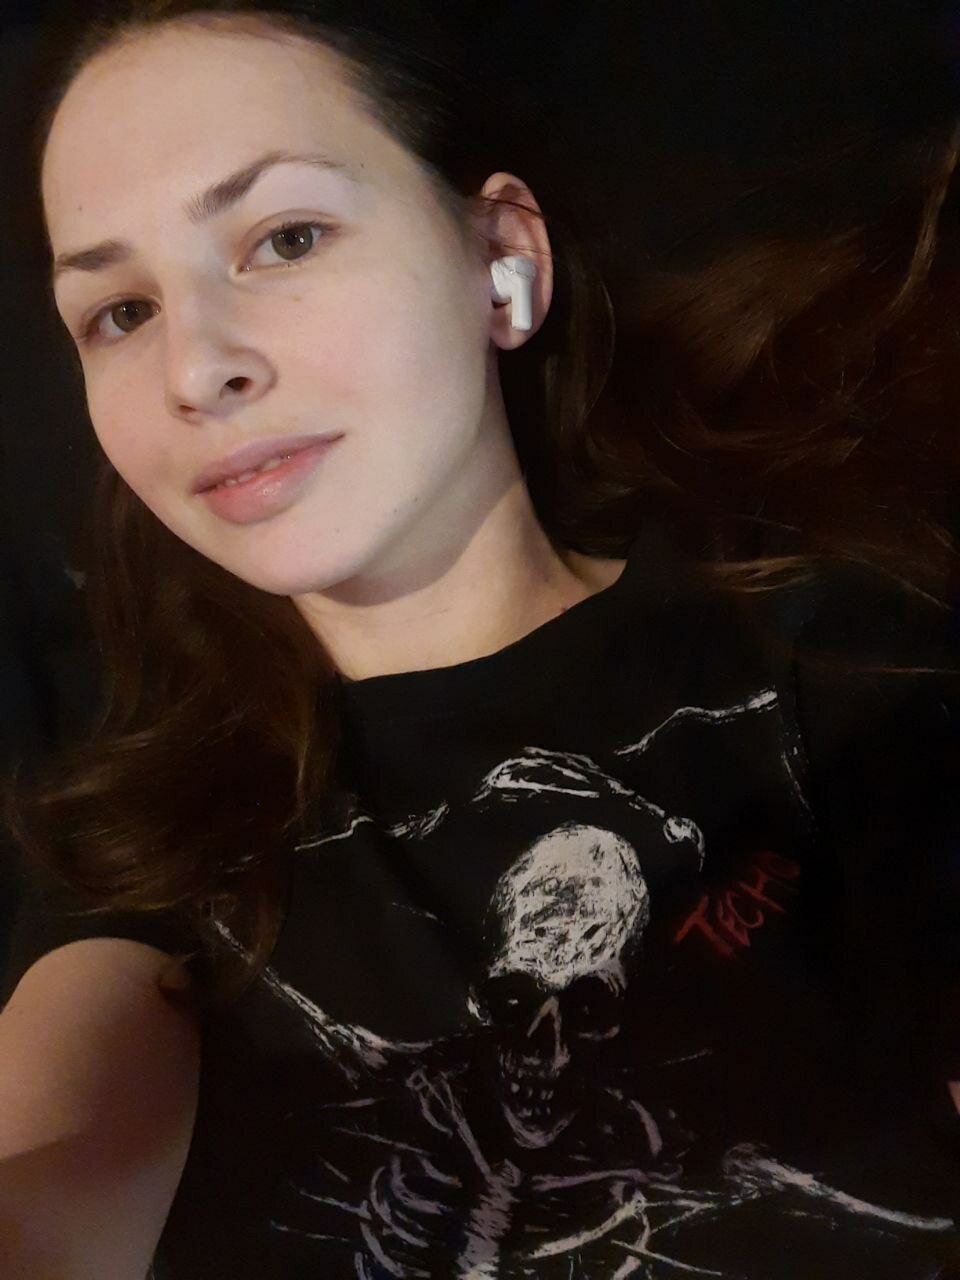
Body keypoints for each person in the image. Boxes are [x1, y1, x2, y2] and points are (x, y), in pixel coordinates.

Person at [0, 1, 958, 1276]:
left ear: (501, 257)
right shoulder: (149, 856)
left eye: (286, 237)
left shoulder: (830, 660)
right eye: (120, 311)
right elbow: (55, 1173)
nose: (195, 368)